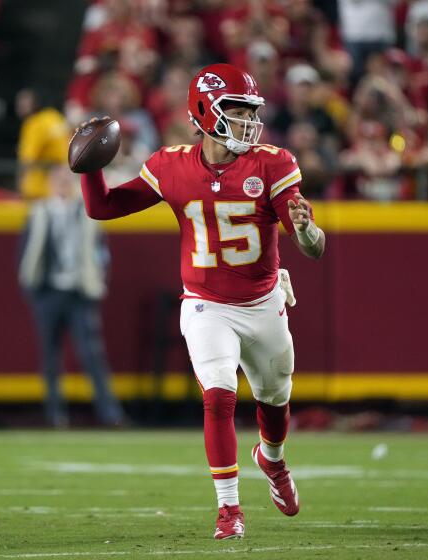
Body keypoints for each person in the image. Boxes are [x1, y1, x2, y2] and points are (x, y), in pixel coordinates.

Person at [76, 63, 326, 540]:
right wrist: (90, 170)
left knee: (275, 400)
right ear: (204, 112)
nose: (247, 121)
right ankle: (228, 510)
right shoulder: (171, 165)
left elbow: (313, 249)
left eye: (250, 110)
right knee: (217, 395)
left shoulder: (273, 163)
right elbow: (102, 207)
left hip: (263, 300)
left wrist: (306, 228)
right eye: (235, 109)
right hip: (206, 302)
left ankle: (271, 460)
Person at [18, 165, 125, 428]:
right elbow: (27, 252)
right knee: (50, 356)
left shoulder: (85, 213)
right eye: (59, 181)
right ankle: (55, 414)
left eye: (67, 181)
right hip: (49, 292)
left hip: (79, 292)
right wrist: (34, 290)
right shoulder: (40, 213)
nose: (63, 186)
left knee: (92, 354)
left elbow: (101, 252)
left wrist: (96, 281)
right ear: (51, 185)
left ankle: (109, 413)